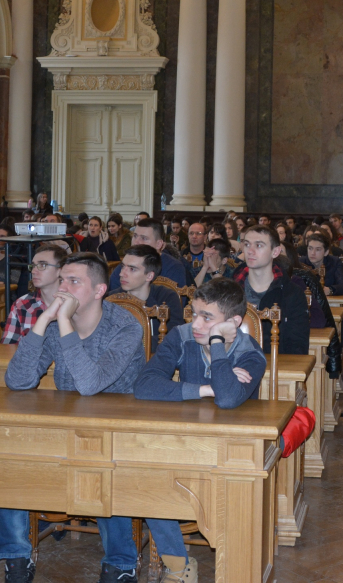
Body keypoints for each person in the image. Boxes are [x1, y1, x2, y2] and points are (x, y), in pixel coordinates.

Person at [0, 252, 147, 583]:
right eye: (61, 279)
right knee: (4, 457)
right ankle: (16, 557)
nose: (62, 287)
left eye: (73, 281)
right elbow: (17, 381)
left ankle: (121, 562)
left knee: (104, 466)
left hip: (118, 430)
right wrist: (41, 322)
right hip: (65, 423)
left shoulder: (124, 327)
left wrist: (62, 322)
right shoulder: (52, 327)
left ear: (98, 290)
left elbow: (90, 385)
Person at [134, 277, 268, 583]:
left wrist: (217, 344)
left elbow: (230, 398)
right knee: (148, 476)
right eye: (194, 313)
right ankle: (179, 565)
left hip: (233, 450)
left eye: (208, 318)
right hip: (186, 440)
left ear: (233, 322)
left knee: (238, 490)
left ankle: (237, 565)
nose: (196, 323)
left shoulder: (250, 352)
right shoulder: (182, 337)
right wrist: (206, 388)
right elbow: (144, 385)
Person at [232, 225, 309, 355]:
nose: (250, 251)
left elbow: (298, 347)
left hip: (277, 367)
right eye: (247, 244)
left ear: (275, 252)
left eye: (259, 245)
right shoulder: (228, 291)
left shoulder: (291, 294)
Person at [116, 245, 185, 352]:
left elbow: (174, 338)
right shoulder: (112, 299)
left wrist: (127, 343)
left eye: (132, 269)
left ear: (149, 276)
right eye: (122, 266)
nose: (121, 274)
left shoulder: (167, 298)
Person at [1, 243, 65, 344]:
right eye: (33, 265)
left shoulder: (74, 303)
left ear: (60, 270)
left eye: (42, 265)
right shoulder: (22, 304)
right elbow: (7, 348)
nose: (34, 271)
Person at [105, 219, 188, 291]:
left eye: (144, 238)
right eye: (135, 236)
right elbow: (112, 297)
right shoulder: (125, 265)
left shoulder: (173, 267)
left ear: (159, 244)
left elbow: (174, 304)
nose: (136, 242)